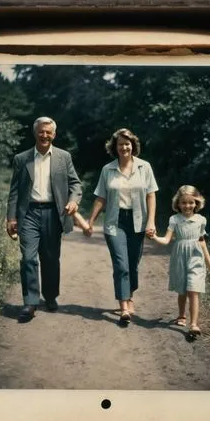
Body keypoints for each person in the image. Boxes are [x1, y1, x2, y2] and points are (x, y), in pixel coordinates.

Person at [6, 116, 82, 322]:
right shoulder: (22, 159)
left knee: (50, 259)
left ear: (54, 134)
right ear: (35, 133)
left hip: (53, 214)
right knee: (29, 258)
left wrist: (74, 200)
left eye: (48, 132)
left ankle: (50, 296)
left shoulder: (63, 157)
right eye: (41, 131)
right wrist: (11, 217)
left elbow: (76, 184)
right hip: (28, 214)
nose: (45, 135)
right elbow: (14, 192)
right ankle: (30, 302)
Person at [86, 128, 158, 324]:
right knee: (121, 265)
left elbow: (151, 195)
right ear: (115, 147)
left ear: (133, 146)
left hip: (138, 222)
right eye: (120, 144)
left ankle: (129, 295)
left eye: (127, 144)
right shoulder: (107, 170)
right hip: (114, 222)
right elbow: (101, 197)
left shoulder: (145, 167)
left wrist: (151, 221)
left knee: (133, 265)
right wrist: (91, 221)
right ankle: (124, 306)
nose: (124, 147)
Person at [151, 185, 210, 337]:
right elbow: (166, 240)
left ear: (197, 202)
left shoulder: (201, 220)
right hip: (180, 256)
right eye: (184, 203)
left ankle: (194, 324)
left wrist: (209, 261)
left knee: (193, 290)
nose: (188, 206)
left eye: (191, 202)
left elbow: (201, 241)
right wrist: (154, 237)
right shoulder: (174, 219)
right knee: (182, 290)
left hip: (196, 257)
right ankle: (181, 315)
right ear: (178, 204)